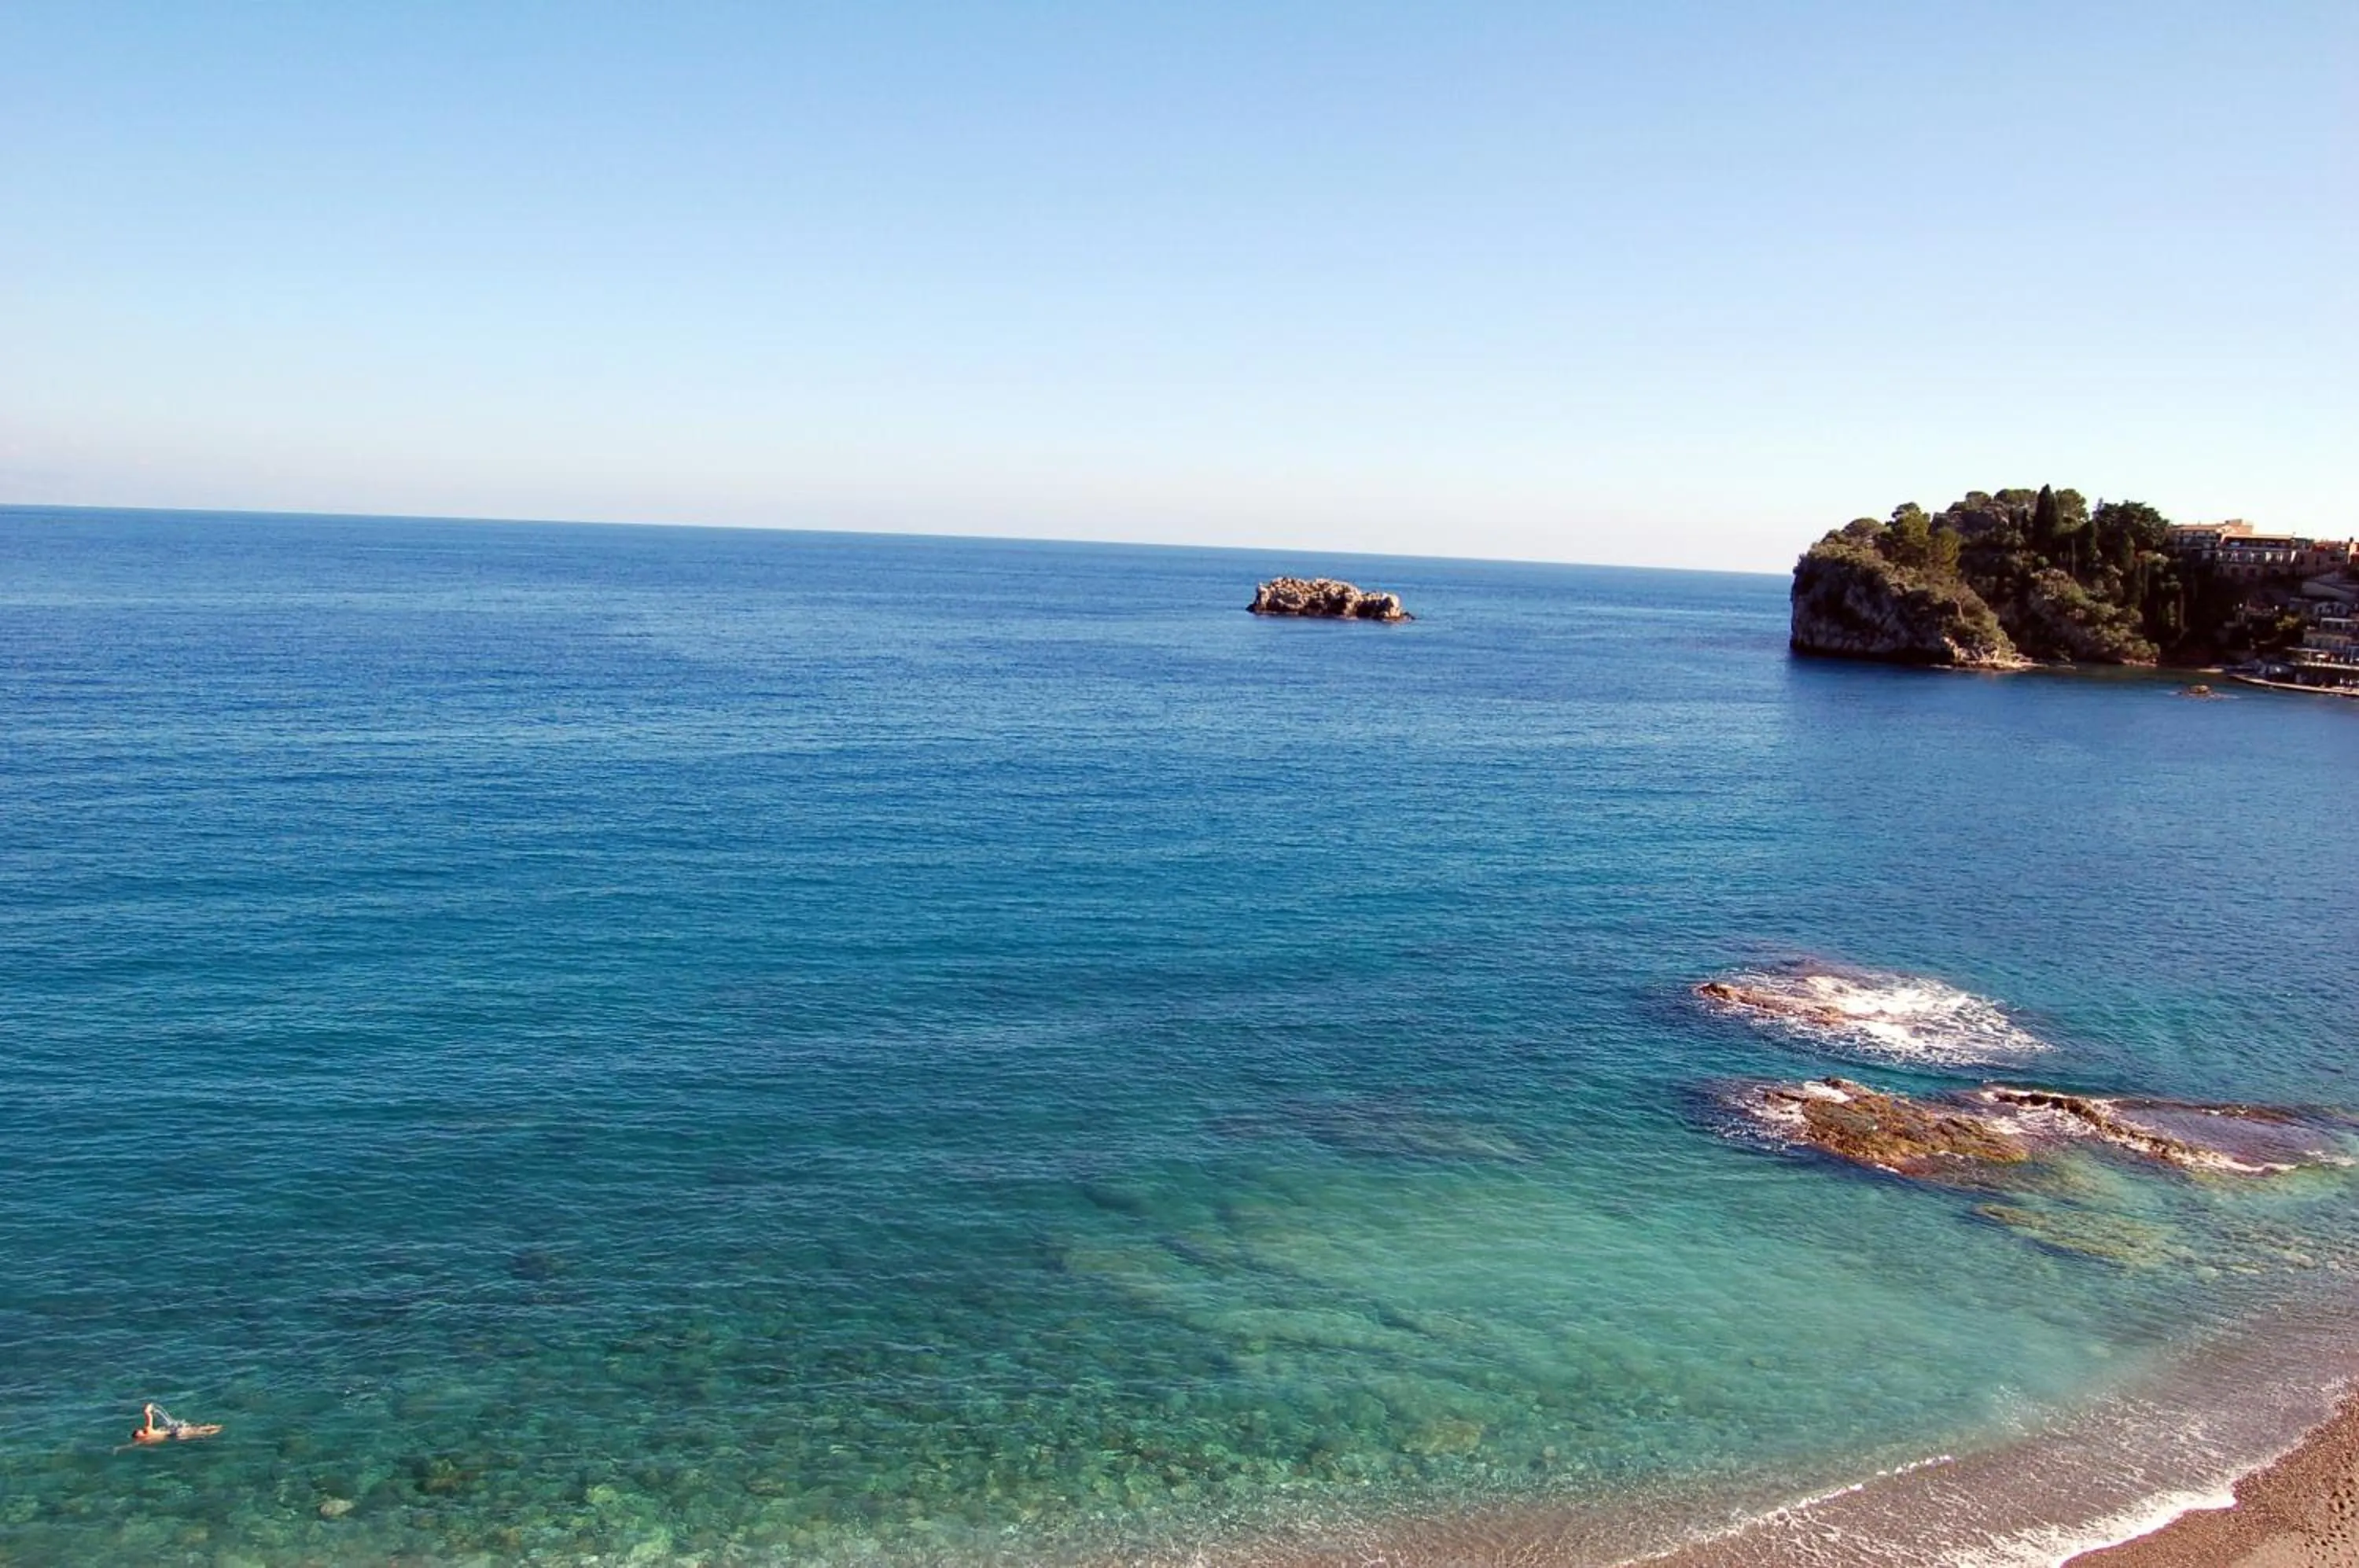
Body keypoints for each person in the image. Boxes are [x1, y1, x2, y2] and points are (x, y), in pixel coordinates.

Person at [131, 1403, 221, 1444]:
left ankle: (215, 1431)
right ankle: (216, 1428)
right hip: (174, 1432)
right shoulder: (148, 1431)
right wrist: (148, 1408)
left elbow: (133, 1445)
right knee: (197, 1430)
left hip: (173, 1436)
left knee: (197, 1433)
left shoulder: (144, 1440)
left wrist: (122, 1448)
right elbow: (148, 1415)